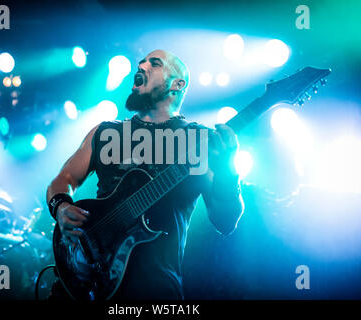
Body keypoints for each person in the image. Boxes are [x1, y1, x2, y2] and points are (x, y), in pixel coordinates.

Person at [46, 49, 244, 300]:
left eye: (155, 64)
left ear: (177, 84)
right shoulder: (106, 132)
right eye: (142, 62)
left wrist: (228, 171)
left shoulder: (199, 141)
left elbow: (226, 221)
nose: (142, 65)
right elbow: (63, 180)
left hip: (155, 289)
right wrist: (61, 206)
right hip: (87, 276)